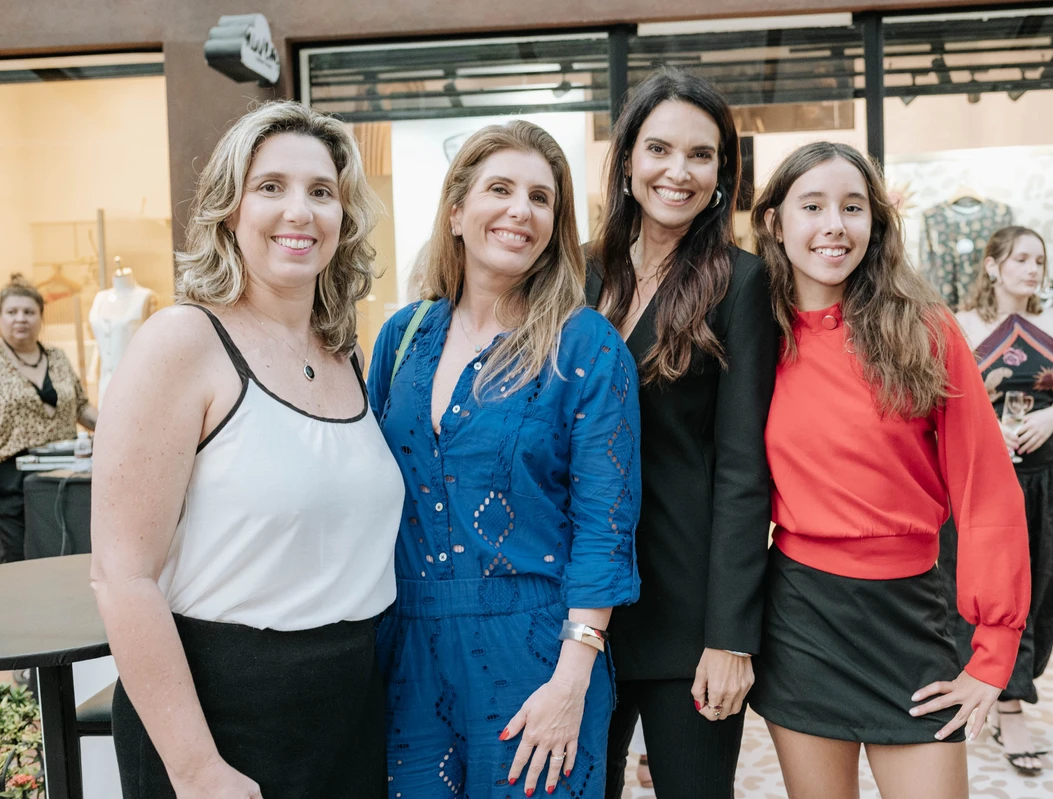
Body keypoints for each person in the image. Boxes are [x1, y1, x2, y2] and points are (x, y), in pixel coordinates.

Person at [90, 101, 401, 799]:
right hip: (220, 718)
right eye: (271, 187)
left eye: (322, 192)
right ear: (230, 210)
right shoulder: (183, 342)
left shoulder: (344, 351)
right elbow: (121, 575)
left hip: (347, 710)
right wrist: (198, 770)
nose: (300, 211)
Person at [748, 141, 1031, 799]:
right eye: (811, 205)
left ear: (875, 221)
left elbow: (987, 486)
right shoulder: (756, 333)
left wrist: (992, 654)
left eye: (852, 207)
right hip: (801, 616)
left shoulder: (924, 328)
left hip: (909, 613)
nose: (833, 226)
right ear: (774, 221)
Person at [368, 120, 641, 799]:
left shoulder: (586, 347)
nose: (521, 210)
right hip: (407, 655)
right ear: (456, 211)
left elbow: (604, 529)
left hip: (539, 655)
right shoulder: (402, 337)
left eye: (542, 198)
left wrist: (571, 679)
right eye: (500, 188)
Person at [586, 67, 776, 799]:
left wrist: (730, 634)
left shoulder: (741, 279)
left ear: (723, 172)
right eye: (660, 149)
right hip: (582, 613)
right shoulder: (577, 274)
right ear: (628, 157)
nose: (679, 171)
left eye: (702, 155)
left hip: (688, 613)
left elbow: (742, 468)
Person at [940, 226, 1053, 776]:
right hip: (979, 474)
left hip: (1043, 472)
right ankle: (1007, 704)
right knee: (977, 588)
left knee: (1041, 585)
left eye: (1039, 260)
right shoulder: (960, 324)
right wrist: (986, 429)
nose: (1032, 269)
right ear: (993, 265)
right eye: (1021, 258)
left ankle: (1008, 693)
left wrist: (1049, 417)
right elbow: (948, 393)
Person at [0, 275, 97, 563]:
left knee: (63, 552)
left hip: (63, 475)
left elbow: (81, 407)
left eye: (29, 312)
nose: (21, 319)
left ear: (41, 317)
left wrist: (115, 428)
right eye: (12, 312)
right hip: (10, 480)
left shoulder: (56, 356)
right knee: (16, 559)